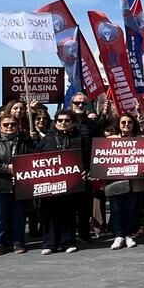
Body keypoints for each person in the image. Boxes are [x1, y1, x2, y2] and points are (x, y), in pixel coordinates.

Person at [38, 109, 87, 254]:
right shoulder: (47, 138)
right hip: (49, 183)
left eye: (67, 120)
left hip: (71, 183)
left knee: (68, 212)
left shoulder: (79, 138)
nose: (63, 123)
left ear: (72, 123)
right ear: (55, 122)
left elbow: (85, 157)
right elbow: (35, 158)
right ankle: (49, 244)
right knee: (49, 213)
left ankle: (68, 242)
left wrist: (85, 170)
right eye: (60, 120)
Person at [0, 111, 31, 255]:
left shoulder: (25, 141)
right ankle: (0, 243)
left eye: (12, 124)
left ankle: (18, 242)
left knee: (19, 216)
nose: (9, 127)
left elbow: (32, 159)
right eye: (6, 124)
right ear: (0, 126)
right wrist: (6, 168)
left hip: (20, 185)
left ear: (17, 126)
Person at [102, 112, 144, 250]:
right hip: (115, 181)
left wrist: (141, 117)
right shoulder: (110, 140)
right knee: (116, 210)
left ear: (134, 124)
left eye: (129, 122)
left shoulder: (140, 139)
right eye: (123, 122)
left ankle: (128, 235)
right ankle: (118, 235)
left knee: (132, 209)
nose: (126, 125)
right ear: (119, 125)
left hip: (135, 182)